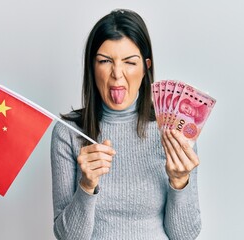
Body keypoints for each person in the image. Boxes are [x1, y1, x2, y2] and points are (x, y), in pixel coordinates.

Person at [50, 9, 201, 240]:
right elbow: (67, 237)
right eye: (105, 61)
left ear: (145, 68)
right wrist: (87, 185)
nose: (117, 74)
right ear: (92, 66)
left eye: (130, 62)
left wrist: (180, 182)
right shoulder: (67, 132)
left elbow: (184, 236)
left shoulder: (174, 130)